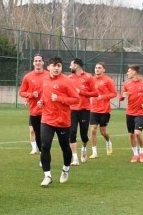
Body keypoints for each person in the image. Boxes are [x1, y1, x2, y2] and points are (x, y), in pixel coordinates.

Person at [37, 56, 79, 186]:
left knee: (65, 147)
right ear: (48, 67)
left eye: (59, 66)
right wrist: (41, 102)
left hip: (62, 120)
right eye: (54, 66)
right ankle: (47, 176)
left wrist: (60, 98)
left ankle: (65, 169)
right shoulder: (44, 80)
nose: (56, 68)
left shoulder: (66, 81)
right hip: (47, 119)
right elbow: (45, 94)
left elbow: (76, 99)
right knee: (45, 145)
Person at [68, 58, 98, 165]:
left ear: (76, 65)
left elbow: (95, 93)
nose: (70, 67)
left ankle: (84, 149)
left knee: (84, 135)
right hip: (72, 109)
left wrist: (81, 92)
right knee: (72, 133)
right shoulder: (69, 78)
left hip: (85, 110)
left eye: (71, 65)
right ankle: (75, 158)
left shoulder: (88, 77)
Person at [88, 62, 117, 159]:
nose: (97, 69)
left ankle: (108, 142)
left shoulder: (108, 80)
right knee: (93, 129)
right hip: (93, 109)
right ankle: (94, 152)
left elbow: (114, 93)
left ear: (104, 69)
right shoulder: (91, 80)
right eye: (96, 67)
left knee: (103, 132)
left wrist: (103, 96)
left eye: (99, 68)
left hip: (105, 110)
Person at [19, 54, 46, 156]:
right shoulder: (28, 77)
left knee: (45, 133)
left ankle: (44, 153)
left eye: (40, 60)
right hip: (34, 110)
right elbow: (21, 92)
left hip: (47, 109)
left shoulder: (49, 75)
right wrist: (30, 95)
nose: (38, 62)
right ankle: (36, 150)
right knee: (34, 131)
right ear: (33, 63)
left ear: (43, 62)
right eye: (36, 61)